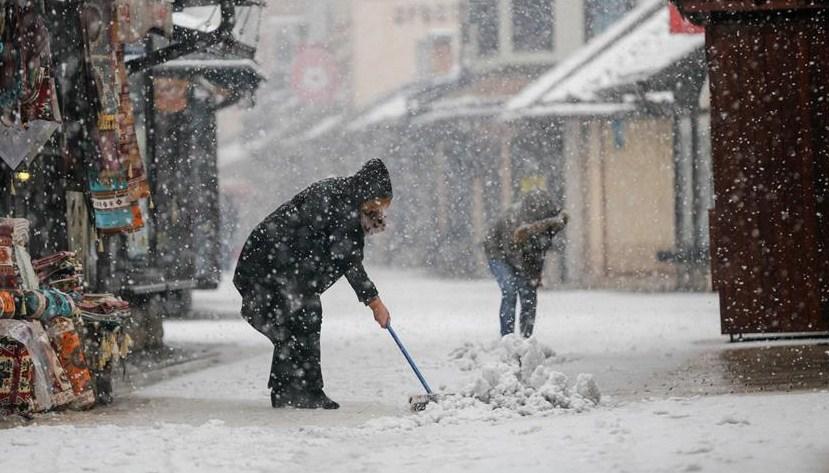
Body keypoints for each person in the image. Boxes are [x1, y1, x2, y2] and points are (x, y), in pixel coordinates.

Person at [233, 159, 393, 409]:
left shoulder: (344, 198)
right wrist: (375, 304)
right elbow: (348, 259)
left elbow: (341, 253)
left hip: (271, 265)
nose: (381, 210)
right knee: (305, 314)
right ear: (368, 192)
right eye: (380, 203)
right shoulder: (340, 205)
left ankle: (288, 390)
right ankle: (307, 391)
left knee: (292, 322)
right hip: (266, 266)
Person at [483, 189, 568, 338]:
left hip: (523, 257)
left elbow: (539, 253)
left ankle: (526, 338)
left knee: (529, 295)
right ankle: (507, 338)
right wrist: (531, 275)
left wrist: (534, 276)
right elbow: (515, 254)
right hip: (498, 254)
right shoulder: (513, 220)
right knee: (510, 290)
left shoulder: (549, 224)